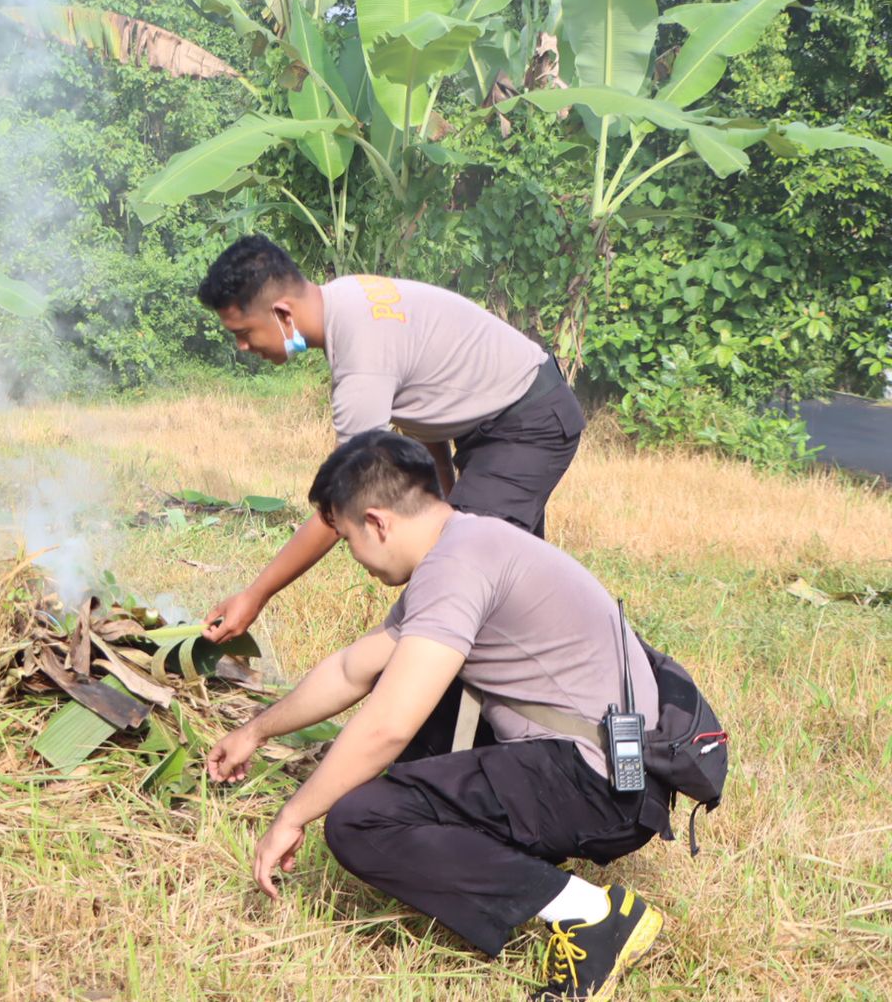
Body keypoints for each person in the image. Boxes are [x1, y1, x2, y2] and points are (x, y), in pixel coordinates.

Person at [206, 431, 710, 1000]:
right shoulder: (467, 542)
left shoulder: (456, 566)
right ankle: (510, 865)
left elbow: (387, 726)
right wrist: (255, 730)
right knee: (421, 705)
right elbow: (354, 669)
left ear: (376, 523)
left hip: (600, 786)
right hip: (613, 769)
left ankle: (592, 915)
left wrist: (293, 816)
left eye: (346, 538)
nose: (353, 556)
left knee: (360, 821)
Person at [199, 234, 586, 649]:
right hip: (504, 421)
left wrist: (255, 596)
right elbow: (425, 406)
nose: (242, 346)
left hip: (526, 425)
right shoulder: (344, 297)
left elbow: (345, 499)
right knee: (501, 581)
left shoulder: (360, 358)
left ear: (281, 314)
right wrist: (448, 507)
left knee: (455, 585)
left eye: (243, 332)